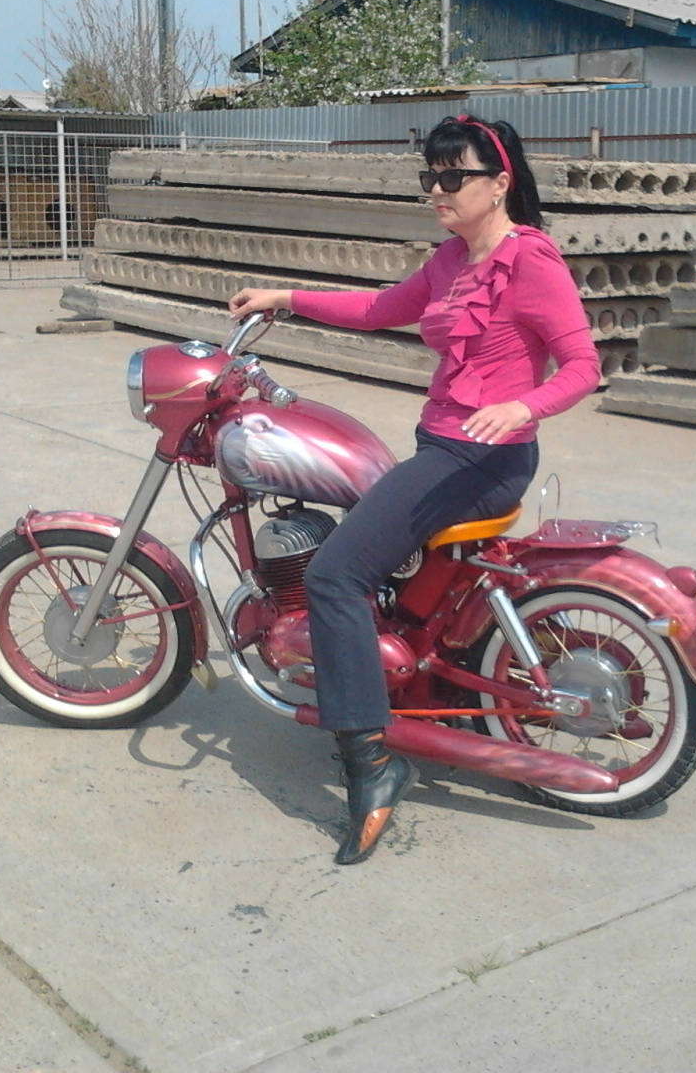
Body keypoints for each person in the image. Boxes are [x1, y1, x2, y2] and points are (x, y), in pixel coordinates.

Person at [228, 114, 601, 864]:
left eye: (454, 176)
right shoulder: (453, 259)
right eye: (430, 176)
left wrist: (523, 407)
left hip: (482, 459)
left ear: (500, 183)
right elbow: (379, 310)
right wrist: (283, 297)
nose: (438, 189)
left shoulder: (530, 261)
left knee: (335, 574)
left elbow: (584, 365)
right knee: (368, 535)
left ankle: (371, 760)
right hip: (446, 449)